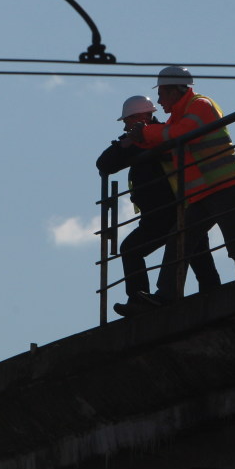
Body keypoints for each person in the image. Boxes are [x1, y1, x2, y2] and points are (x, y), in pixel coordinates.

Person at [128, 66, 235, 296]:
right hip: (202, 194)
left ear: (176, 90)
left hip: (224, 186)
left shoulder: (200, 105)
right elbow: (167, 136)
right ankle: (165, 295)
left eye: (163, 93)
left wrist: (144, 134)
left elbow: (179, 133)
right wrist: (141, 139)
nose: (159, 99)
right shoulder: (179, 115)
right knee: (179, 241)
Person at [95, 95, 193, 317]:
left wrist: (139, 140)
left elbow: (168, 150)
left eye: (127, 120)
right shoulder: (135, 141)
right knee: (191, 249)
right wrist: (128, 141)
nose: (126, 125)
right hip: (157, 212)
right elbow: (105, 164)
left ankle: (141, 300)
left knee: (194, 250)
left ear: (142, 117)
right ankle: (139, 299)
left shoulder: (164, 133)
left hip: (173, 207)